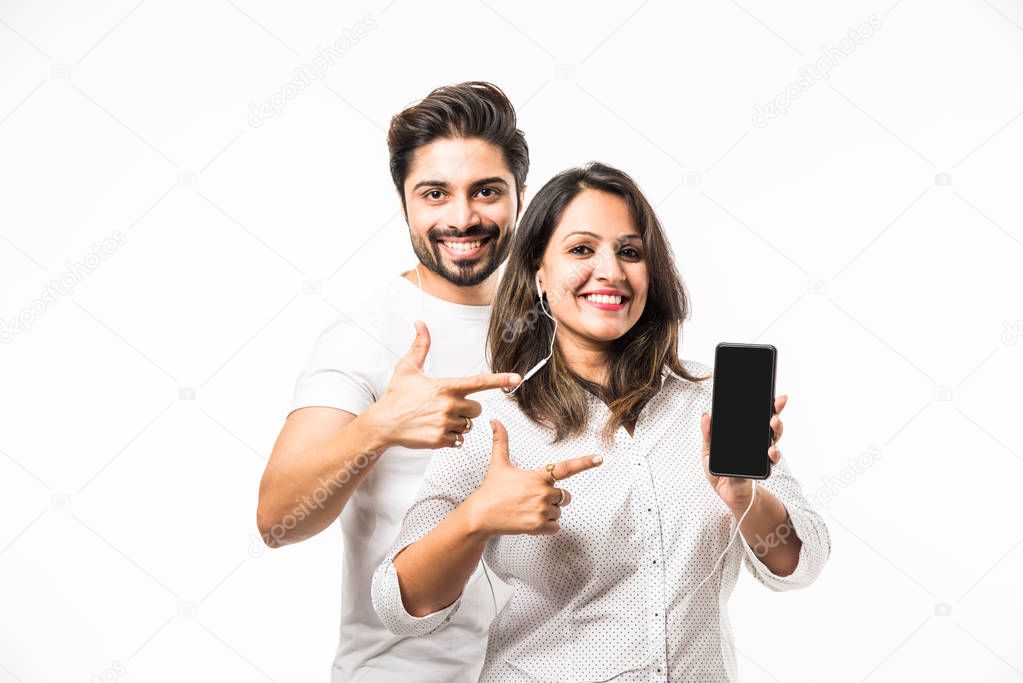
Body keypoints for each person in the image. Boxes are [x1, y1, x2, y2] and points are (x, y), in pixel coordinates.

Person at [372, 162, 831, 681]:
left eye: (630, 252)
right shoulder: (495, 419)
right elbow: (400, 604)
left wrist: (747, 502)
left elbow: (800, 564)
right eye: (581, 249)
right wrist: (476, 517)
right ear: (539, 275)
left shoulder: (713, 399)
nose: (611, 271)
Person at [256, 82, 528, 681]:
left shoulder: (562, 323)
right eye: (436, 194)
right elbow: (277, 520)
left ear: (520, 196)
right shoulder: (366, 334)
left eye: (486, 191)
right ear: (405, 201)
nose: (463, 218)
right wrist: (381, 427)